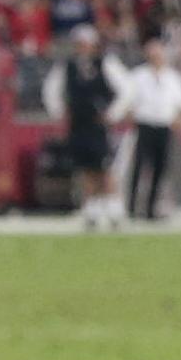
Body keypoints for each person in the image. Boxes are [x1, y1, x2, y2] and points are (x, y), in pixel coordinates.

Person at [52, 27, 119, 228]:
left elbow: (126, 89)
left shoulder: (106, 64)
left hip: (97, 124)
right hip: (78, 123)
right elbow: (52, 90)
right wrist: (60, 112)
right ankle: (92, 209)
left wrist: (112, 114)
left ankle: (114, 208)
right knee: (85, 168)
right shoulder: (68, 66)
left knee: (104, 167)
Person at [116, 39, 181, 223]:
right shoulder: (138, 75)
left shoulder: (173, 77)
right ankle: (132, 206)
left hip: (164, 125)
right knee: (140, 165)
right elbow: (128, 99)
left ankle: (151, 207)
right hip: (144, 124)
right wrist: (131, 115)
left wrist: (179, 120)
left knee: (160, 168)